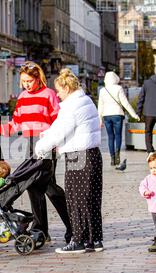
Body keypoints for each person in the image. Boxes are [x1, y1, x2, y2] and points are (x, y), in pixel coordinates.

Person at [0, 61, 73, 244]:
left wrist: (56, 145)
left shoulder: (49, 95)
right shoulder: (22, 97)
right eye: (24, 81)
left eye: (29, 81)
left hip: (47, 144)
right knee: (35, 186)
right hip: (30, 144)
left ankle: (71, 226)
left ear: (38, 78)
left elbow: (58, 122)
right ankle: (41, 230)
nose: (27, 84)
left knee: (49, 188)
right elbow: (16, 123)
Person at [35, 68, 103, 254]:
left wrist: (40, 147)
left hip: (78, 155)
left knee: (76, 199)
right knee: (92, 199)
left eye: (59, 89)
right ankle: (95, 239)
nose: (57, 93)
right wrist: (46, 134)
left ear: (66, 87)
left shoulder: (72, 106)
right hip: (93, 153)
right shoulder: (84, 100)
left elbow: (60, 132)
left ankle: (78, 241)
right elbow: (60, 126)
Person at [98, 71, 140, 166]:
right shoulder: (118, 88)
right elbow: (125, 103)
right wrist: (134, 115)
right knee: (118, 135)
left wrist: (100, 119)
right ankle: (117, 155)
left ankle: (112, 158)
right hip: (117, 115)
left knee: (110, 137)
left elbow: (100, 106)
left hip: (107, 116)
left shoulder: (102, 90)